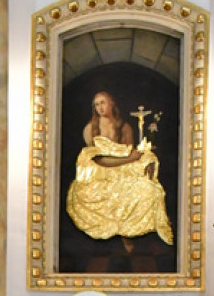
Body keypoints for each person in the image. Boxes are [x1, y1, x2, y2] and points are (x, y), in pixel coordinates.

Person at [66, 90, 173, 248]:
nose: (100, 107)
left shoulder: (124, 127)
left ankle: (130, 231)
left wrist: (144, 158)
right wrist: (131, 159)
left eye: (103, 103)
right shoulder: (90, 129)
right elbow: (98, 160)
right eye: (96, 104)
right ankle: (118, 235)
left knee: (148, 187)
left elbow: (127, 152)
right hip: (100, 171)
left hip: (122, 167)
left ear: (111, 104)